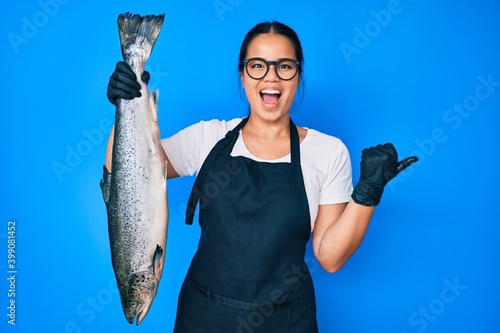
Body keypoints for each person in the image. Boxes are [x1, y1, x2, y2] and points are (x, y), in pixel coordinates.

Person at [105, 21, 417, 333]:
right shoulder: (207, 137)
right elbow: (126, 175)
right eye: (257, 65)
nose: (271, 77)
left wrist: (368, 193)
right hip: (203, 317)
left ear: (298, 75)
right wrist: (125, 103)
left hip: (286, 321)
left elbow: (330, 257)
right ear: (242, 75)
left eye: (284, 66)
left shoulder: (328, 152)